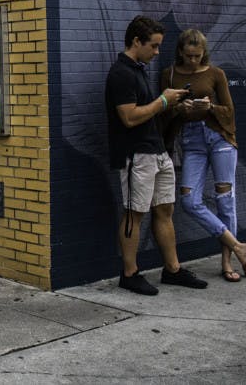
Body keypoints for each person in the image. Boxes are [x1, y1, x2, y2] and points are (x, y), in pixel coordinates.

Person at [105, 15, 206, 295]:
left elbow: (149, 111)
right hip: (136, 155)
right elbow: (129, 117)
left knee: (164, 210)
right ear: (136, 41)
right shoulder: (120, 73)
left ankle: (172, 269)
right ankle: (129, 274)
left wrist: (174, 104)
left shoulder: (137, 69)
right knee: (134, 214)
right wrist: (163, 101)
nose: (157, 52)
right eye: (154, 45)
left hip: (156, 151)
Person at [160, 29, 246, 282]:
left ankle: (227, 263)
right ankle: (238, 246)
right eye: (189, 56)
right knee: (189, 200)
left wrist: (209, 106)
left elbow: (230, 111)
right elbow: (162, 112)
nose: (193, 61)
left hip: (219, 138)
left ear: (204, 53)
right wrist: (180, 108)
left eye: (198, 56)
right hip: (191, 141)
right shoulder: (169, 75)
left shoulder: (216, 74)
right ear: (180, 51)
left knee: (225, 200)